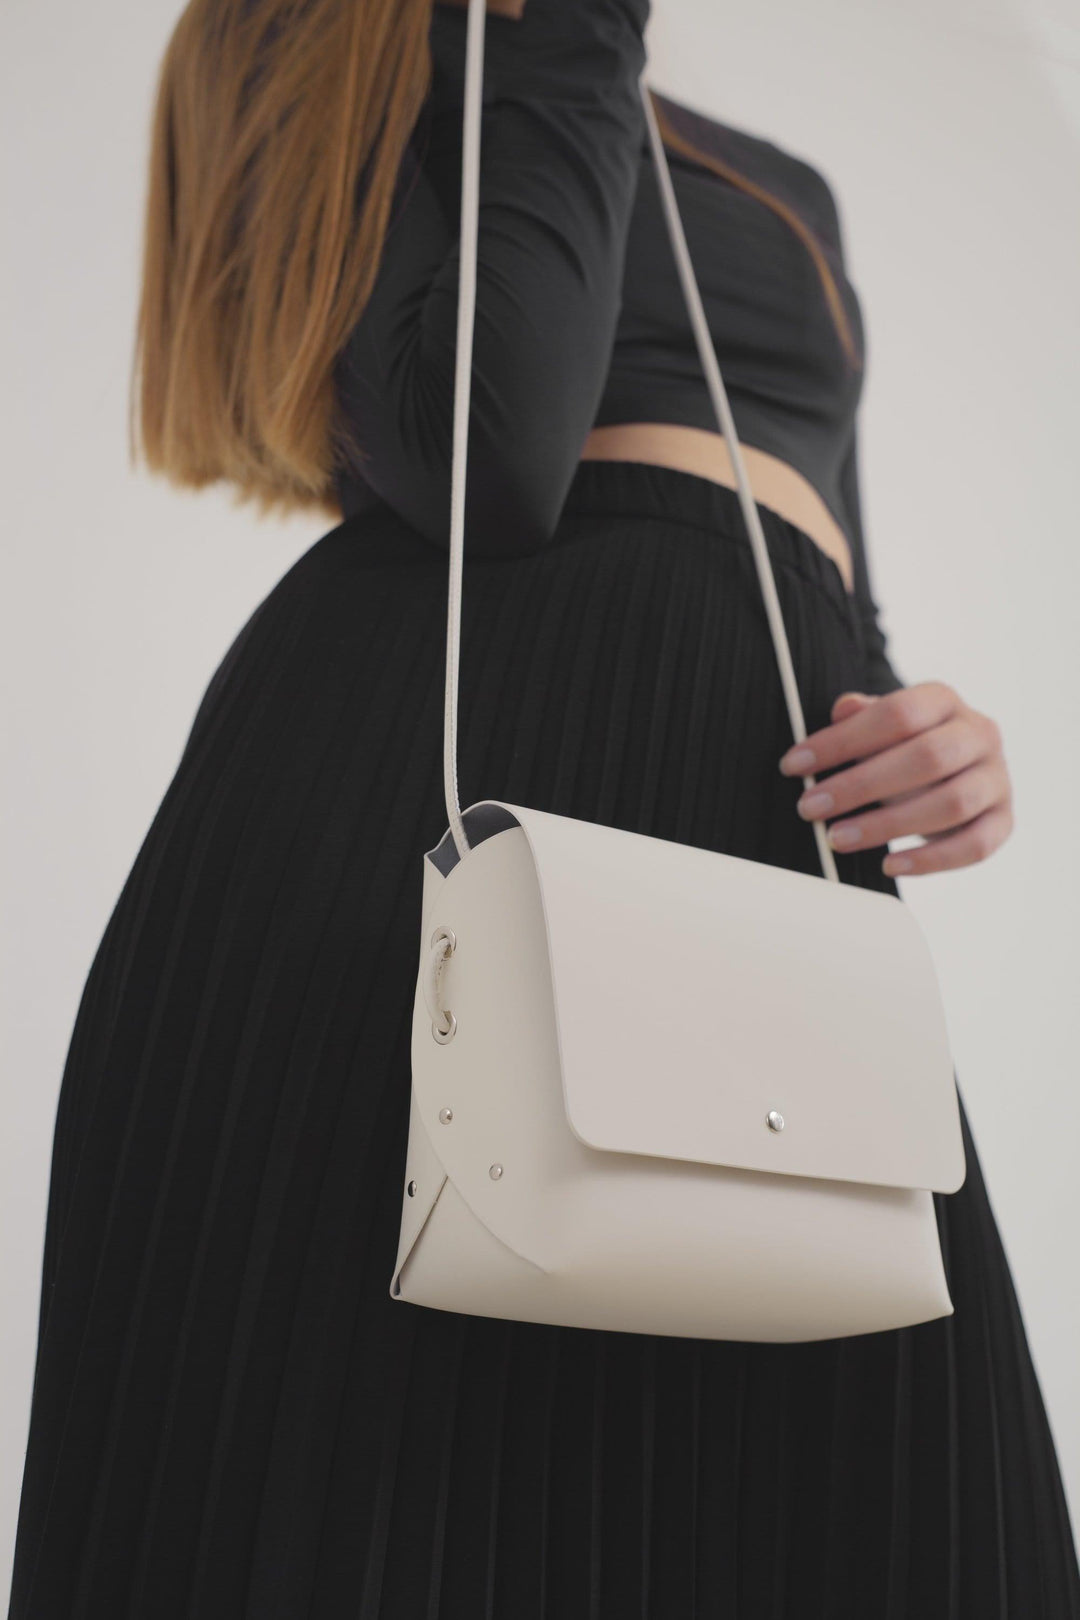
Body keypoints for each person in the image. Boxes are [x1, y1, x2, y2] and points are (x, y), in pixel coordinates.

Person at [8, 0, 1079, 1613]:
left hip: (739, 819)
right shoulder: (307, 35)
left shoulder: (770, 183)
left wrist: (927, 735)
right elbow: (493, 457)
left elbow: (823, 574)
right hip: (412, 823)